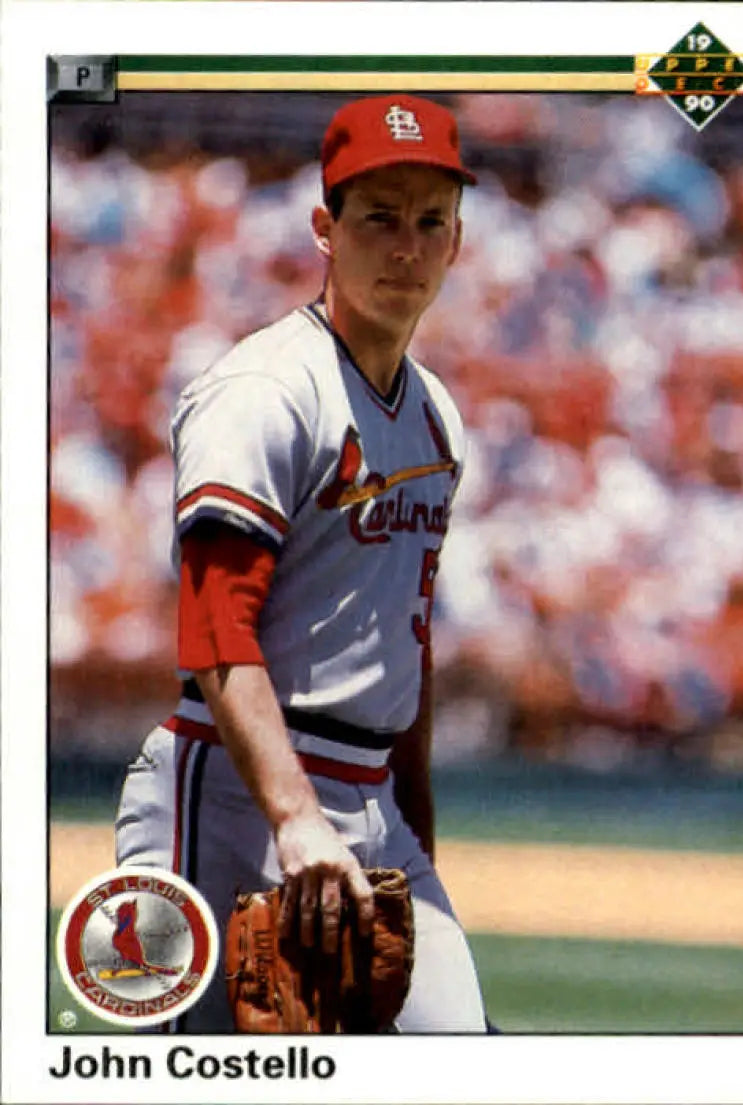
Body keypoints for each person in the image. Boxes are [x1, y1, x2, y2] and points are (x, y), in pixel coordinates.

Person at [115, 93, 488, 1033]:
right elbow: (212, 625)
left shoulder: (437, 414)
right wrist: (292, 817)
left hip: (372, 798)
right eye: (378, 218)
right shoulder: (265, 390)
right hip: (231, 793)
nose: (405, 245)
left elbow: (409, 631)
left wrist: (417, 830)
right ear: (326, 228)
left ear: (456, 240)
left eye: (429, 221)